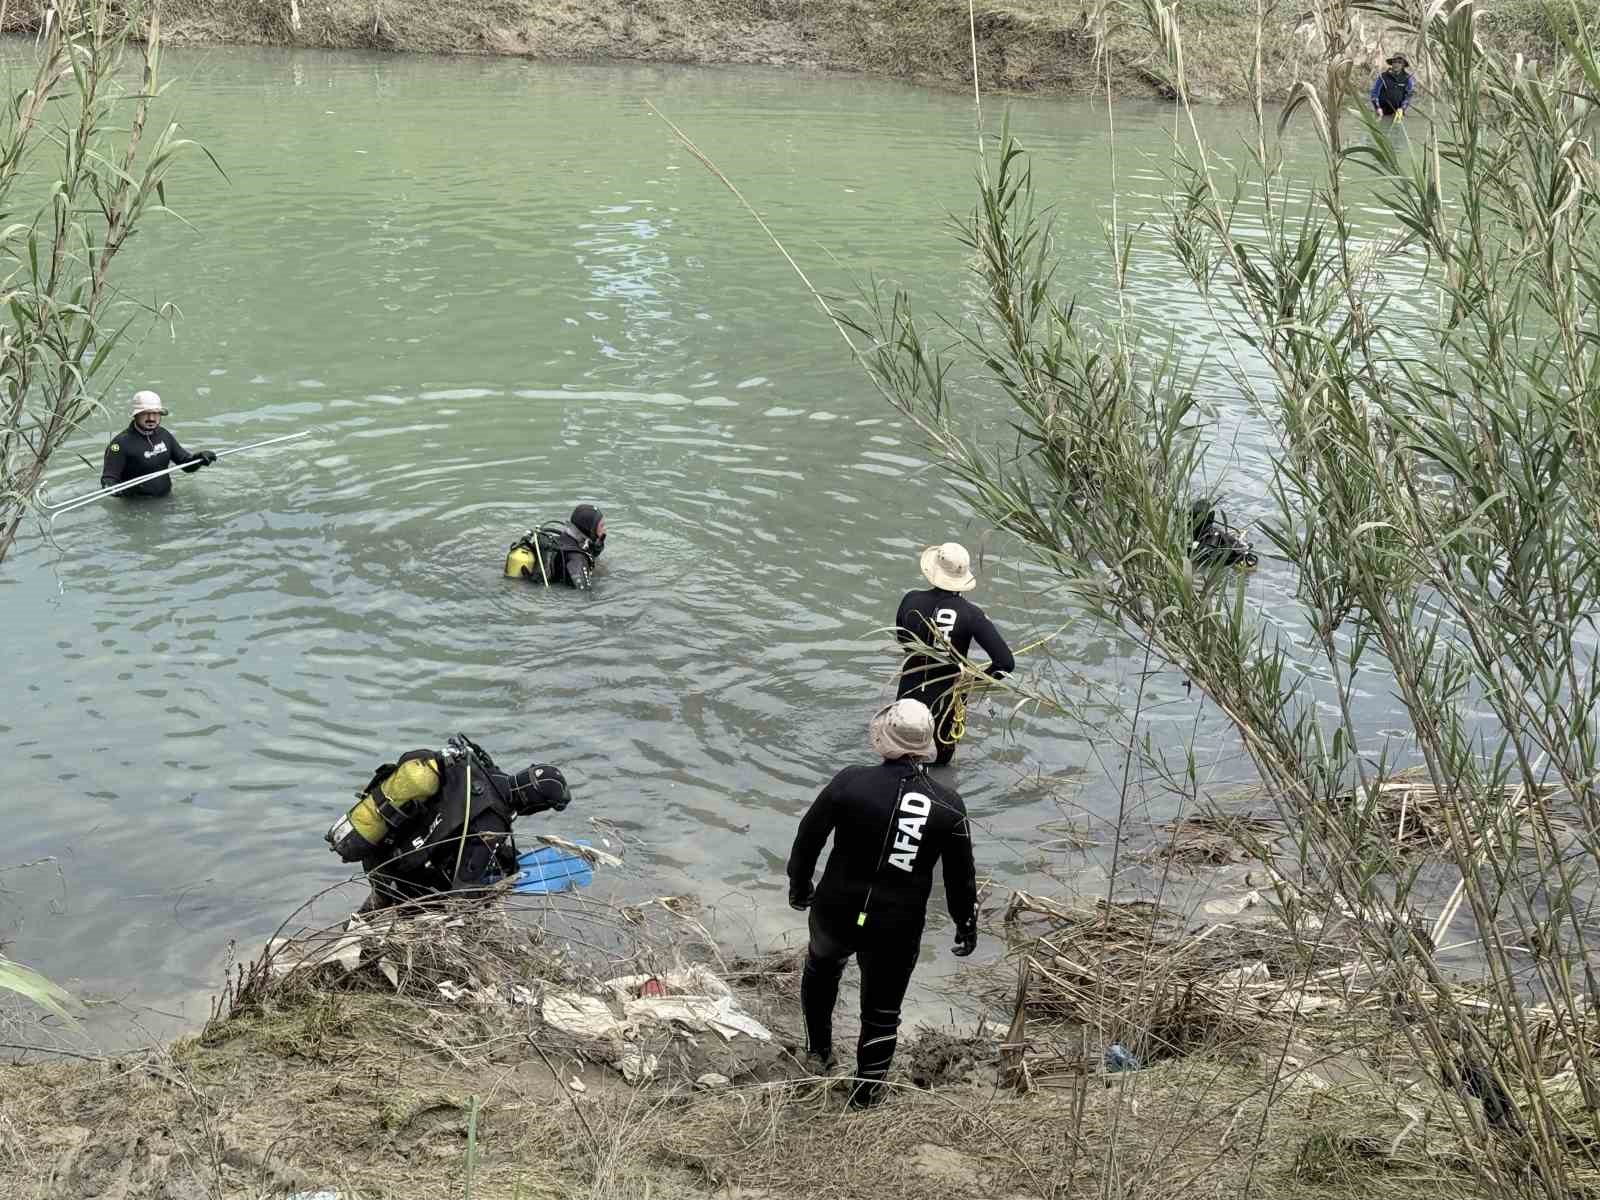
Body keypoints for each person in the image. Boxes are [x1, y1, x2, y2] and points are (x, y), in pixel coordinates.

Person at [787, 699, 978, 1109]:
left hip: (836, 909)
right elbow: (960, 877)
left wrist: (799, 886)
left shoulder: (850, 781)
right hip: (896, 925)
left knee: (821, 971)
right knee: (881, 1012)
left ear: (882, 740)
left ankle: (818, 1053)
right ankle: (866, 1097)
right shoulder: (948, 805)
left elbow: (808, 838)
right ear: (927, 746)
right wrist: (966, 922)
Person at [325, 733, 572, 914]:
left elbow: (456, 825)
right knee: (423, 906)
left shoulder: (477, 768)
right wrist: (496, 889)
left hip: (381, 847)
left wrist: (501, 855)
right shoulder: (494, 822)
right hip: (400, 876)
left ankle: (353, 932)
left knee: (377, 902)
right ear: (536, 804)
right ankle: (364, 952)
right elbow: (462, 891)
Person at [894, 542, 1014, 766]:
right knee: (938, 769)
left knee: (900, 761)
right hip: (946, 705)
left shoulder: (910, 600)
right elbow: (1005, 663)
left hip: (908, 695)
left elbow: (903, 640)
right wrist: (971, 683)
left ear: (933, 571)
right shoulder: (972, 615)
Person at [99, 390, 216, 498]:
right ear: (136, 415)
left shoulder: (164, 435)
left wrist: (200, 458)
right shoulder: (120, 443)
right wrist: (111, 487)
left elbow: (186, 464)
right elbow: (109, 478)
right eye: (145, 413)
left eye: (155, 413)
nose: (151, 418)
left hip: (167, 499)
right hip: (136, 506)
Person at [505, 504, 607, 590]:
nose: (604, 531)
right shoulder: (577, 559)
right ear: (590, 529)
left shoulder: (561, 540)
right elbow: (583, 594)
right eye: (601, 526)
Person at [1188, 499, 1258, 569]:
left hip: (1238, 559)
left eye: (1193, 519)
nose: (1191, 522)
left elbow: (1207, 560)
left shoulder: (1211, 536)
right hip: (1237, 550)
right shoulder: (1206, 530)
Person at [1371, 54, 1415, 119]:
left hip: (1397, 114)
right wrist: (1378, 108)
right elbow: (1374, 94)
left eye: (1399, 62)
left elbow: (1408, 96)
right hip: (1382, 113)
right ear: (1391, 64)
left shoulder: (1408, 79)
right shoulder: (1383, 77)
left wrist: (1402, 109)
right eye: (1394, 62)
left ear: (1403, 65)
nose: (1396, 64)